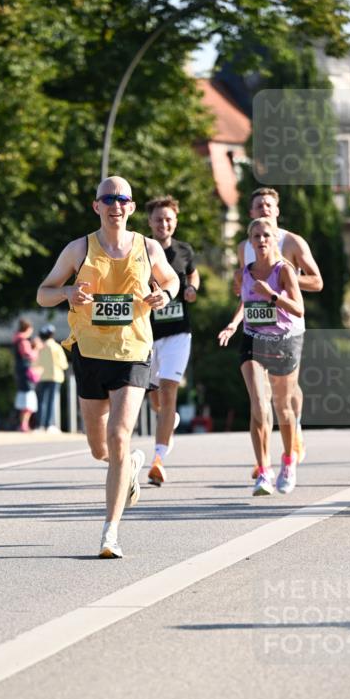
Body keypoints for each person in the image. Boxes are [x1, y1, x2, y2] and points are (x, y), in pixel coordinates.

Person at [37, 175, 179, 558]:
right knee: (100, 448)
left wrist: (163, 295)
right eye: (108, 199)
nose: (116, 205)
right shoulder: (79, 248)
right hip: (89, 353)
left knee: (119, 434)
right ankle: (130, 463)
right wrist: (67, 291)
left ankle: (110, 532)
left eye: (123, 200)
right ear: (96, 206)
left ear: (131, 208)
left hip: (133, 351)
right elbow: (44, 292)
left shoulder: (148, 248)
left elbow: (172, 280)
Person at [237, 187, 322, 475]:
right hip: (256, 328)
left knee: (284, 394)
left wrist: (288, 283)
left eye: (269, 206)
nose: (264, 210)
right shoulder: (245, 247)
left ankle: (294, 426)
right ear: (251, 214)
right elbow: (246, 289)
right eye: (258, 206)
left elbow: (318, 281)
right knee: (262, 398)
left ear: (277, 211)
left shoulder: (292, 242)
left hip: (288, 326)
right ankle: (263, 459)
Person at [219, 218, 304, 495]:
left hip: (283, 341)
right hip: (253, 340)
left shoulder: (284, 271)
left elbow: (299, 309)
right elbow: (245, 301)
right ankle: (264, 472)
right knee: (258, 405)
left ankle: (289, 462)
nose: (262, 240)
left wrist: (272, 296)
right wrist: (233, 324)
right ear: (250, 241)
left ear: (274, 239)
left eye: (266, 235)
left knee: (283, 408)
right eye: (256, 236)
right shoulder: (243, 272)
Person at [145, 195, 200, 486]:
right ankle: (168, 419)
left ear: (175, 221)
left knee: (168, 392)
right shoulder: (141, 249)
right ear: (149, 222)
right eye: (158, 219)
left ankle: (158, 459)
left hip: (178, 333)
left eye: (168, 219)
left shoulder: (184, 250)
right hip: (147, 335)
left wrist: (191, 289)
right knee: (154, 397)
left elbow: (193, 275)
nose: (163, 224)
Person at [36, 323, 69, 431]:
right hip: (55, 376)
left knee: (41, 401)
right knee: (51, 401)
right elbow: (64, 364)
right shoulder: (56, 347)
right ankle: (49, 424)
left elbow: (35, 362)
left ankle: (40, 425)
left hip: (41, 376)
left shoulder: (40, 347)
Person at [13, 317, 40, 432]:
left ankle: (23, 424)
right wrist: (37, 348)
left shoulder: (16, 339)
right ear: (28, 328)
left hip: (20, 371)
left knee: (24, 399)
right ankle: (24, 424)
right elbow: (30, 355)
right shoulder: (24, 341)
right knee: (28, 401)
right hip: (25, 372)